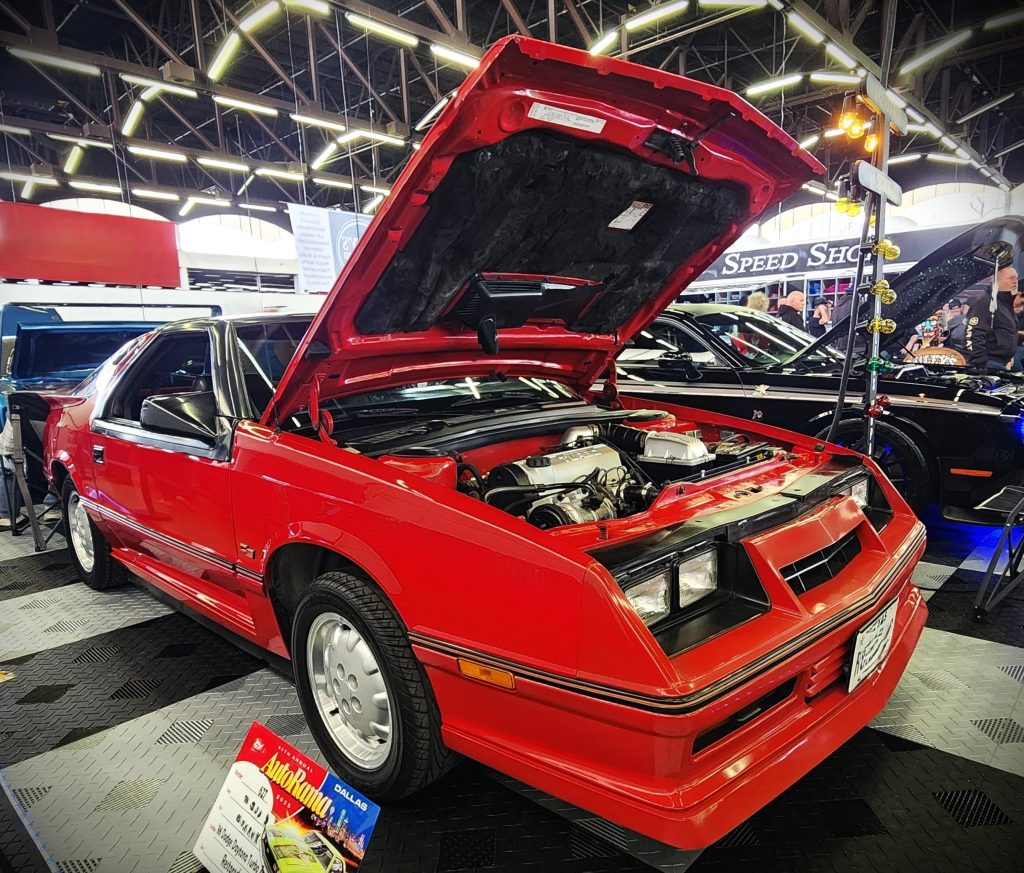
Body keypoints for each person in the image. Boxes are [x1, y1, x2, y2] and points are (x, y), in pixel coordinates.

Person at [964, 266, 1020, 370]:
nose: (1015, 281)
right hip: (990, 364)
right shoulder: (985, 303)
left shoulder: (1005, 304)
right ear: (996, 281)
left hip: (1001, 363)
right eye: (1010, 278)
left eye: (1016, 278)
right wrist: (981, 364)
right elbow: (973, 334)